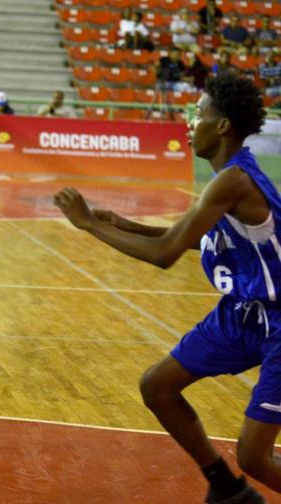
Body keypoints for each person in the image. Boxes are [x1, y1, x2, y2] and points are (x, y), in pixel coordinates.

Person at [54, 71, 272, 504]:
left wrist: (90, 225)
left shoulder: (233, 181)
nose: (189, 123)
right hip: (246, 312)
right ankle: (227, 489)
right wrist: (126, 223)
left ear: (223, 125)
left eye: (198, 113)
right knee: (158, 387)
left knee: (254, 455)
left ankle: (238, 481)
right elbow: (193, 239)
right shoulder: (227, 178)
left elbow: (166, 254)